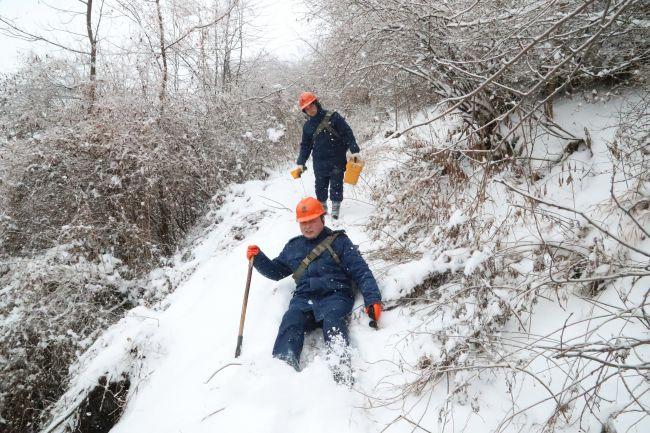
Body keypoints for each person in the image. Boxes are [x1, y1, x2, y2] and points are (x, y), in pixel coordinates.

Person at [246, 197, 382, 383]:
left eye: (311, 221)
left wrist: (372, 299)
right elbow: (276, 271)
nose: (307, 226)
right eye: (303, 223)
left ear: (322, 219)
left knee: (333, 321)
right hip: (304, 299)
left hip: (336, 296)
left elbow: (361, 272)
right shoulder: (293, 246)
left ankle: (341, 370)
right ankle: (282, 367)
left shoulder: (340, 242)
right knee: (291, 319)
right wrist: (259, 259)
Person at [294, 92, 360, 219]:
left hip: (337, 159)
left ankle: (335, 210)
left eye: (311, 105)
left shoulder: (333, 117)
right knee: (320, 187)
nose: (310, 110)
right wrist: (301, 162)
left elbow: (347, 133)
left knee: (336, 185)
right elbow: (306, 146)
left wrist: (354, 150)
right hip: (319, 162)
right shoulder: (307, 127)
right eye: (306, 108)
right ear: (304, 111)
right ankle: (323, 209)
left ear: (316, 104)